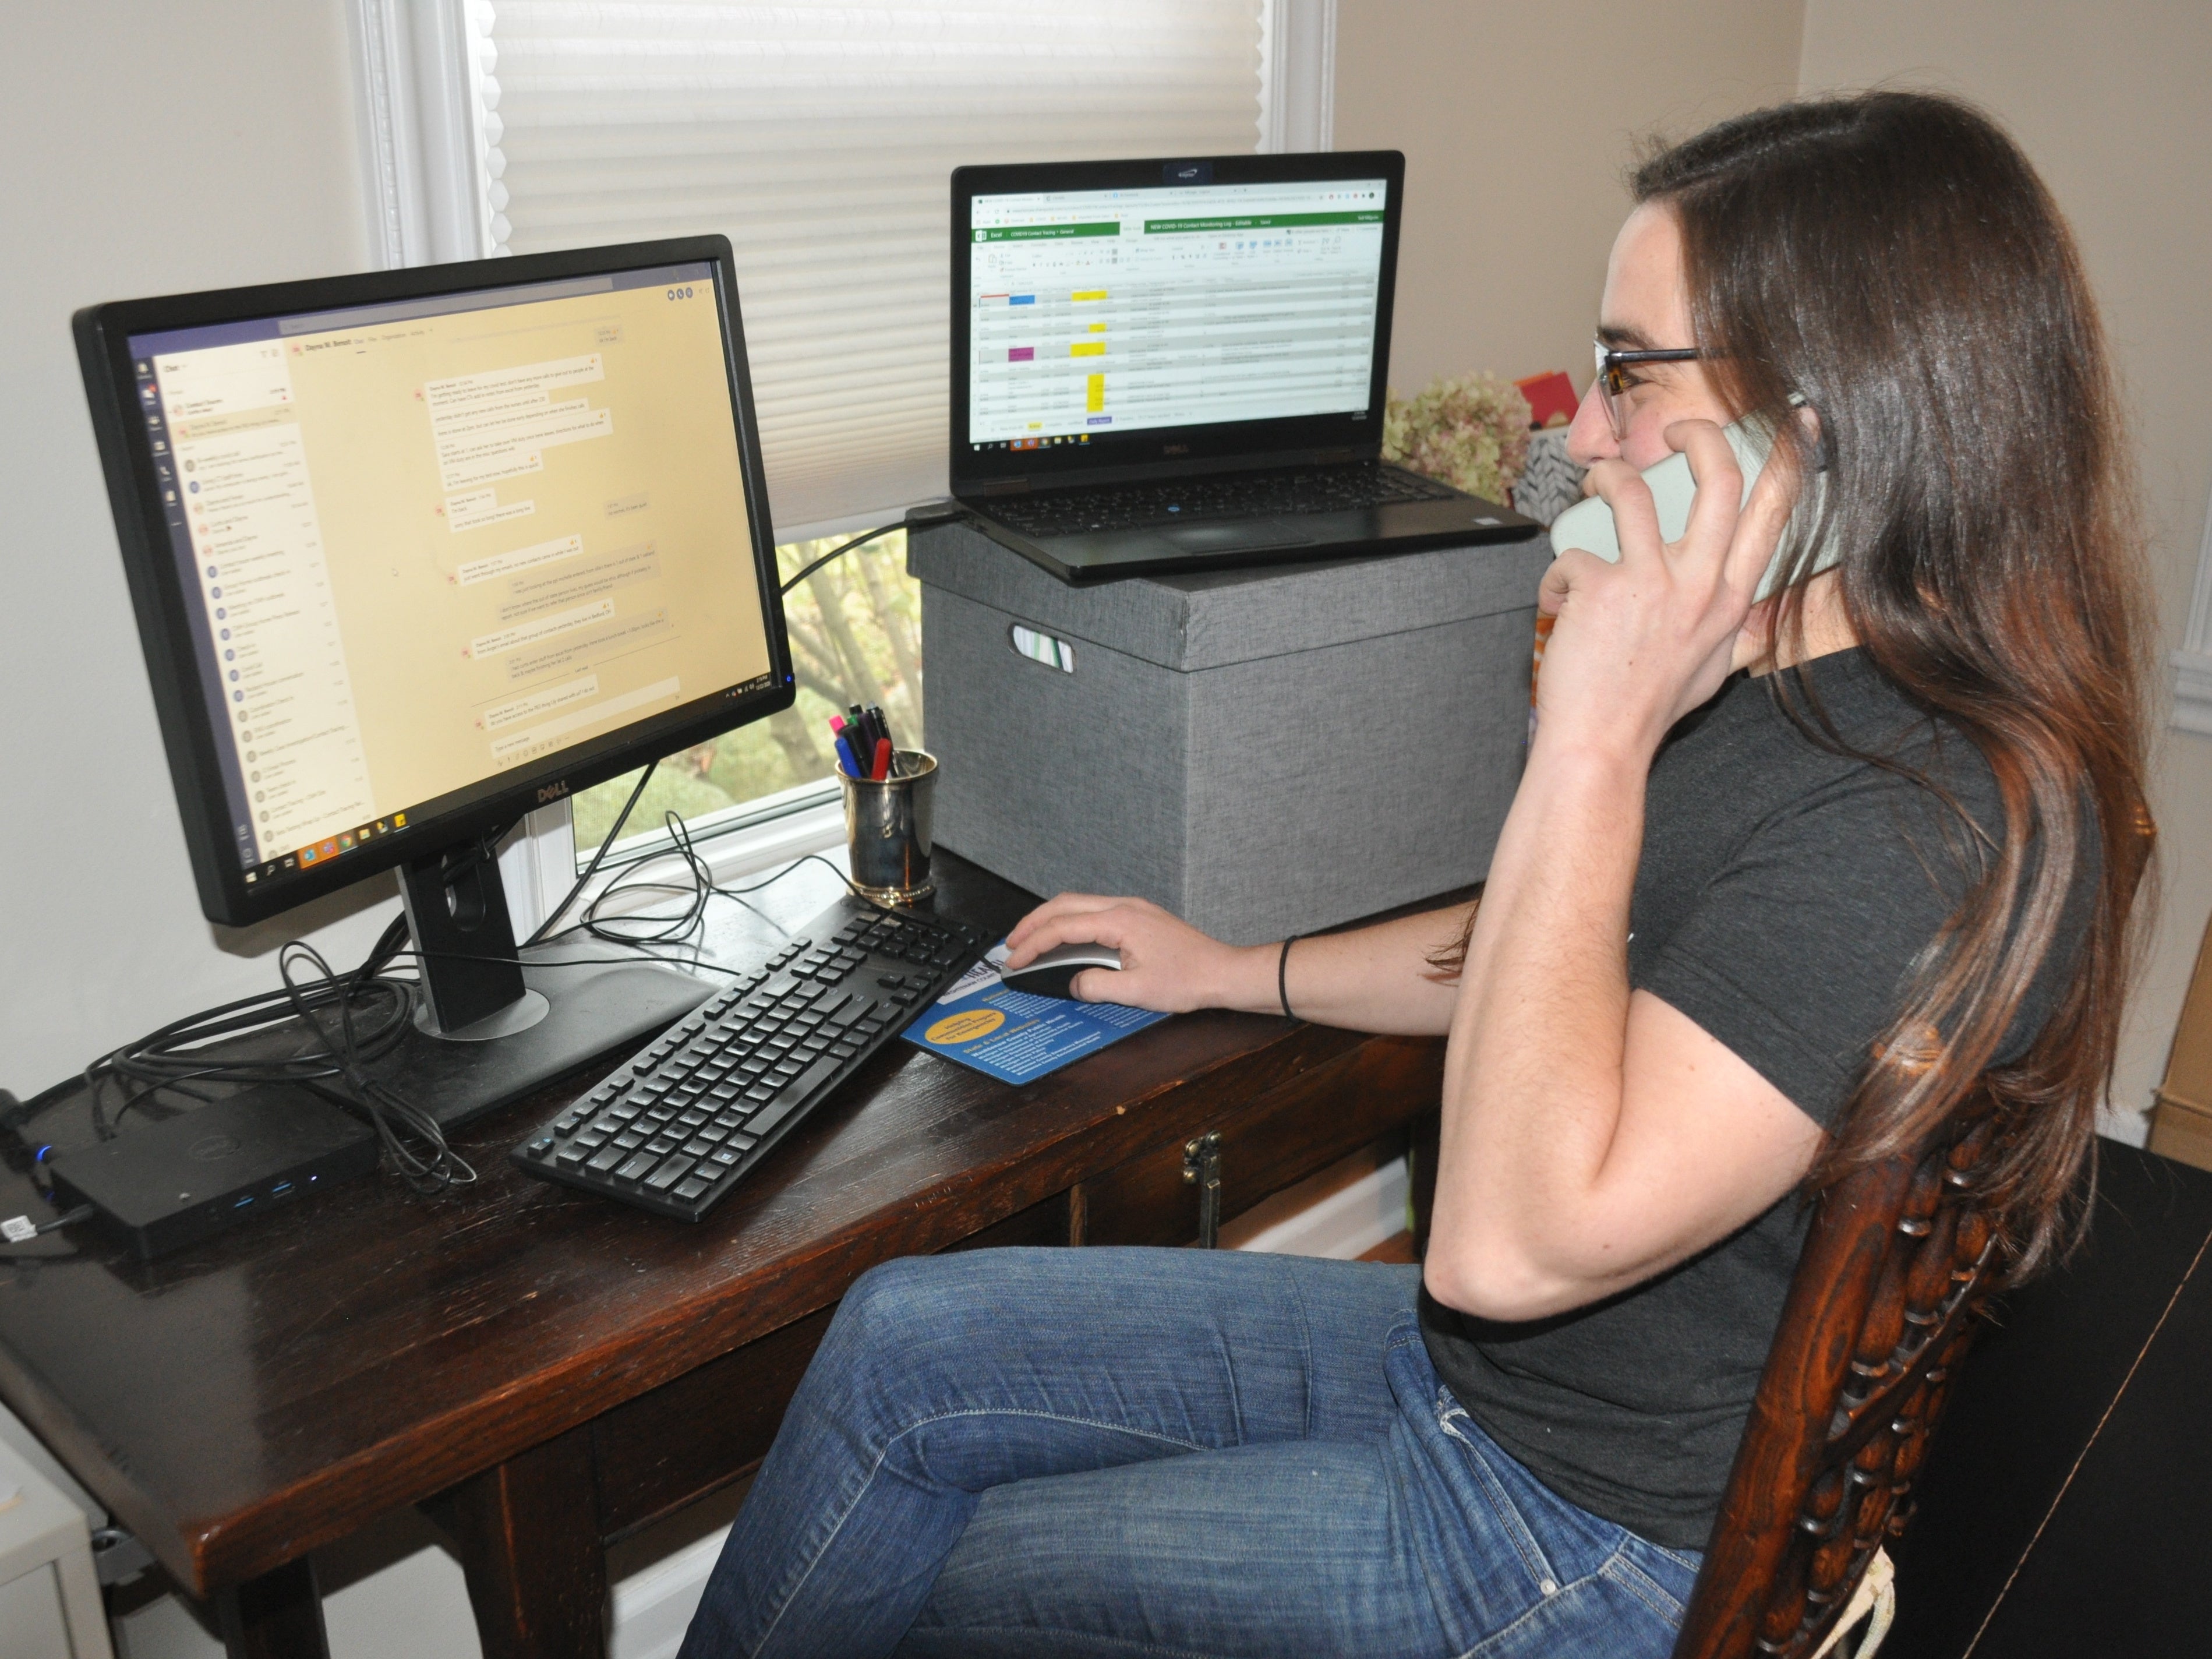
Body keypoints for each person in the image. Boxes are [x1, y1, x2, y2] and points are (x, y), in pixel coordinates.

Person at [679, 91, 2153, 1659]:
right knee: (903, 1342)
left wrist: (1590, 736)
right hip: (1478, 1387)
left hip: (1567, 1536)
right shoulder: (1784, 670)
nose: (1581, 436)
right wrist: (1229, 969)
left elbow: (1503, 1249)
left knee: (939, 1575)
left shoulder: (1910, 819)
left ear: (1820, 422)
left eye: (1628, 376)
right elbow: (1557, 958)